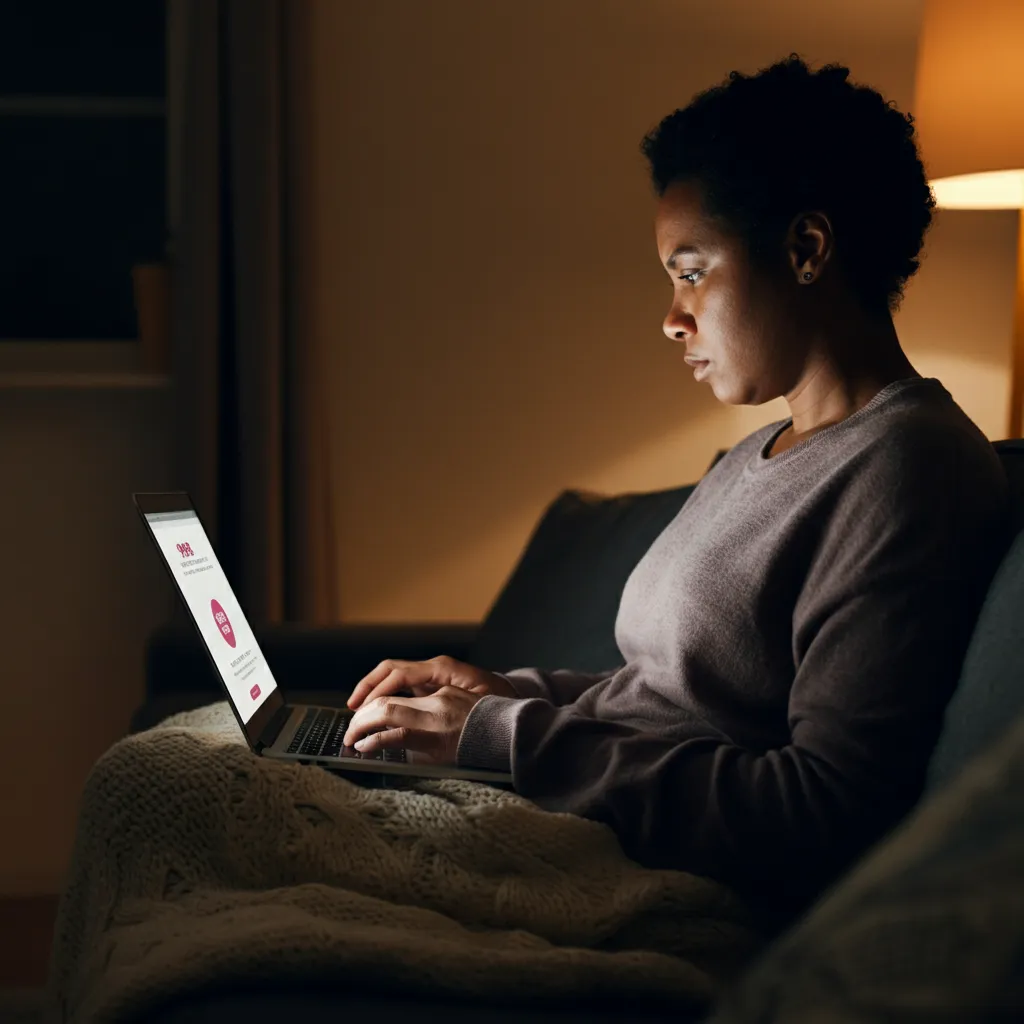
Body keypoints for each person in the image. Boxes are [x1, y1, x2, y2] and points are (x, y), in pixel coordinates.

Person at [341, 56, 1011, 931]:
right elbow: (669, 697)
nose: (670, 316)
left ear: (806, 250)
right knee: (206, 753)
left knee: (167, 790)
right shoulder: (754, 454)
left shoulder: (906, 469)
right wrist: (502, 690)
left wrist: (506, 735)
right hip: (567, 807)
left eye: (691, 272)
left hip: (646, 871)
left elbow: (825, 808)